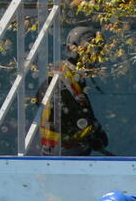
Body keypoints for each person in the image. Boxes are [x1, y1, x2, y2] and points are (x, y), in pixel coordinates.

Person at [36, 25, 109, 156]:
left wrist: (95, 130)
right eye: (91, 51)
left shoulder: (71, 75)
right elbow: (49, 101)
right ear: (74, 49)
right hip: (61, 152)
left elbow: (80, 108)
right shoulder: (61, 77)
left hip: (68, 149)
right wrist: (89, 134)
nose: (94, 58)